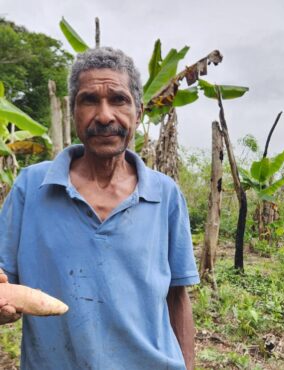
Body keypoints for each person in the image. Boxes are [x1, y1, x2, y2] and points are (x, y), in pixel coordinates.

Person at [0, 47, 200, 370]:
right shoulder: (30, 188)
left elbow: (177, 298)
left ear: (138, 111)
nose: (105, 115)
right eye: (89, 100)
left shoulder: (165, 195)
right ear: (73, 112)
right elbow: (4, 286)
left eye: (119, 100)